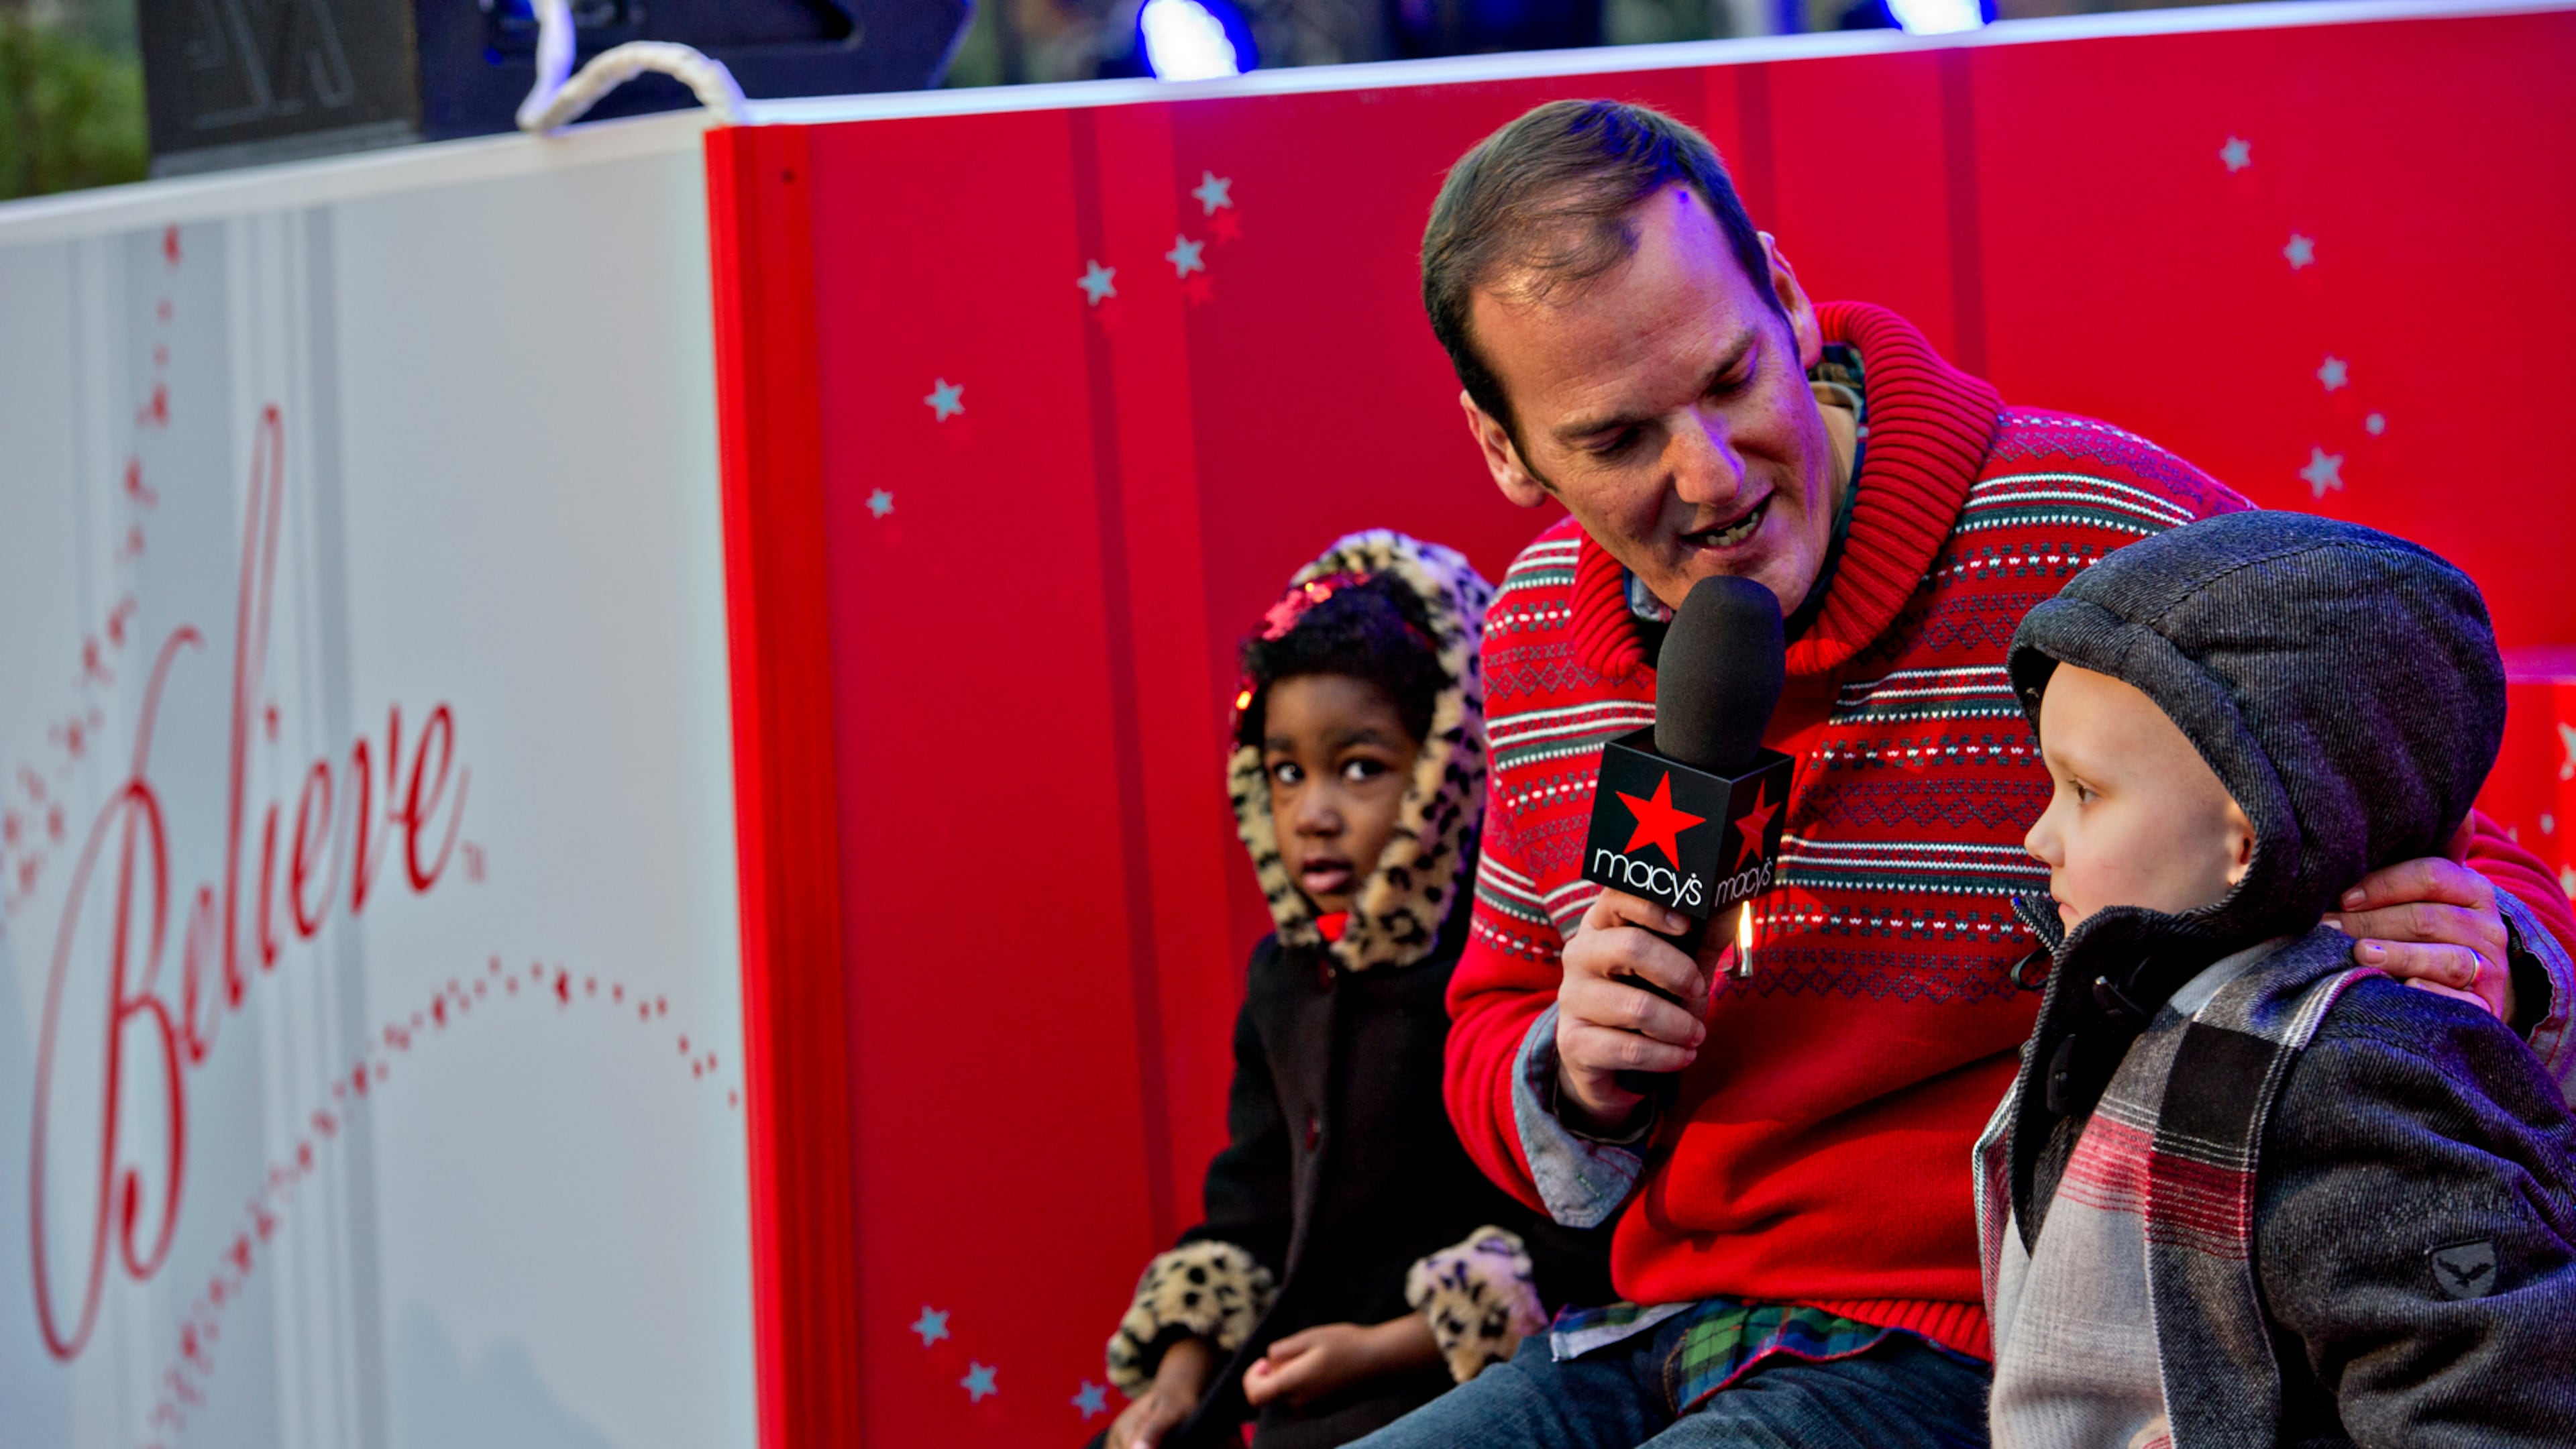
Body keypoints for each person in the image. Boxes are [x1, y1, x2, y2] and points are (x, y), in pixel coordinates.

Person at [1349, 100, 2576, 1448]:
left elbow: (2487, 871)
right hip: (1657, 1333)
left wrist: (2505, 956)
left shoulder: (2102, 544)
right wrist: (1571, 1068)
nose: (1707, 473)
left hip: (2008, 1349)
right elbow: (1492, 1030)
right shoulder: (1527, 639)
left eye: (1728, 381)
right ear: (1504, 446)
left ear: (1788, 294)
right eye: (1620, 438)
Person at [1981, 511, 2576, 1446]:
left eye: (2085, 792)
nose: (2038, 837)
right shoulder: (2139, 1006)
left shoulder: (2355, 1081)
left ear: (2247, 836)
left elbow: (2486, 1395)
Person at [1098, 531, 1612, 1449]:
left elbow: (1577, 1239)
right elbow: (1251, 1205)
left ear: (1447, 768)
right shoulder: (1285, 980)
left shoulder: (1501, 968)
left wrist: (1383, 1350)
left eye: (1362, 768)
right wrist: (1175, 1383)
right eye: (1287, 773)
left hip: (1450, 1383)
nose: (1314, 814)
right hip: (1292, 1380)